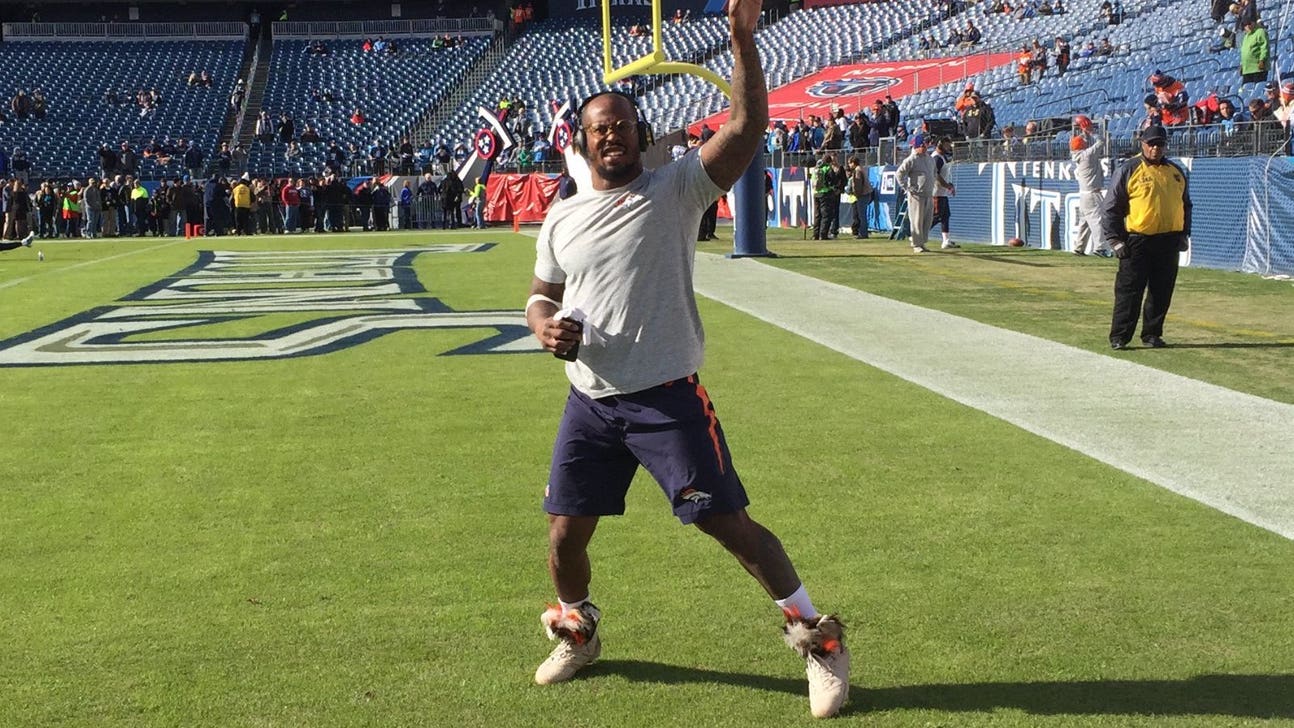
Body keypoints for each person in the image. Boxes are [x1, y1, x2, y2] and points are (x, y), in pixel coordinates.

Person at [523, 0, 850, 718]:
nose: (612, 136)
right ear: (581, 141)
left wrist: (741, 40)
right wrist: (544, 327)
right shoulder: (562, 215)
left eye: (623, 126)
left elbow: (745, 127)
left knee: (727, 524)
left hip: (665, 396)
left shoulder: (675, 189)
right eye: (599, 128)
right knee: (563, 534)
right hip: (590, 399)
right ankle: (576, 627)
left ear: (642, 134)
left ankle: (818, 641)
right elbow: (541, 296)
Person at [1101, 124, 1191, 350]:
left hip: (1168, 241)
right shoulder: (1129, 169)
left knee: (1161, 291)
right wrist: (1115, 239)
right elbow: (1111, 207)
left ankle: (1152, 334)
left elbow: (1185, 205)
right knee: (1129, 291)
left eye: (1159, 144)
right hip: (1137, 240)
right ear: (1142, 144)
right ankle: (1120, 336)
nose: (1155, 148)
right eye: (1151, 144)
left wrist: (1184, 233)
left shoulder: (1176, 172)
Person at [894, 134, 952, 253]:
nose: (925, 147)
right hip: (916, 195)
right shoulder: (911, 160)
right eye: (922, 145)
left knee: (927, 220)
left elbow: (934, 173)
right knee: (917, 220)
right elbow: (899, 174)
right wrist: (907, 187)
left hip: (929, 193)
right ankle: (916, 244)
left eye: (925, 145)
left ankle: (923, 242)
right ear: (917, 147)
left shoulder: (930, 158)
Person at [1069, 116, 1112, 257]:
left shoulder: (1079, 155)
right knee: (1098, 220)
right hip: (1092, 194)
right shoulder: (1087, 155)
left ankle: (1079, 247)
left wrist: (1084, 134)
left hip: (1084, 193)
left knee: (1085, 221)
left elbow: (1083, 143)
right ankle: (1100, 247)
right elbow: (1101, 142)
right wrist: (1089, 131)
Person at [930, 138, 958, 249]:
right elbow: (936, 175)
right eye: (947, 145)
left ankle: (946, 240)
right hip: (937, 192)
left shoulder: (941, 157)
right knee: (937, 216)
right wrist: (946, 185)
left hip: (942, 192)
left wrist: (948, 185)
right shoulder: (937, 158)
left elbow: (942, 174)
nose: (949, 147)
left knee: (945, 215)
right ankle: (919, 234)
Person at [812, 152, 845, 240]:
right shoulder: (827, 168)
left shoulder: (816, 169)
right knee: (826, 215)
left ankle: (815, 234)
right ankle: (823, 235)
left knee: (817, 215)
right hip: (825, 193)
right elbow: (833, 180)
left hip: (816, 193)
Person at [846, 154, 874, 238]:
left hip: (863, 195)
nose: (849, 165)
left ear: (853, 163)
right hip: (867, 194)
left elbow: (858, 184)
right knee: (862, 215)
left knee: (861, 216)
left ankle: (863, 233)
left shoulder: (857, 171)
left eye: (849, 163)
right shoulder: (861, 169)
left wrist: (856, 194)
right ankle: (863, 232)